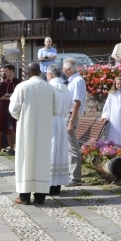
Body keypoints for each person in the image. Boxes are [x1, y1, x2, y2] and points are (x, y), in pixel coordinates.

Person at [9, 62, 55, 205]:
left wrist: (22, 118)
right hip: (44, 129)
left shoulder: (22, 86)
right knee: (42, 159)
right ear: (40, 72)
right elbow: (55, 108)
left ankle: (24, 196)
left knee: (25, 159)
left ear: (28, 74)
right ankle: (40, 196)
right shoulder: (49, 88)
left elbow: (13, 108)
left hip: (26, 129)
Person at [47, 65, 73, 196]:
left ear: (50, 74)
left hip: (50, 121)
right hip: (61, 122)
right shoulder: (67, 89)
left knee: (50, 152)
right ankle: (57, 186)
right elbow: (70, 107)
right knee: (60, 152)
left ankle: (49, 185)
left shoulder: (49, 88)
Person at [62, 58, 86, 186]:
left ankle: (75, 177)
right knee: (70, 146)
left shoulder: (76, 81)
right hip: (70, 115)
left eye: (64, 69)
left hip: (72, 115)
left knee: (72, 147)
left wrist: (71, 121)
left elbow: (77, 103)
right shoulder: (75, 80)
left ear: (69, 70)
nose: (63, 71)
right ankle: (72, 174)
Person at [0, 64, 21, 155]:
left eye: (6, 70)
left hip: (16, 109)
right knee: (7, 129)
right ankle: (11, 148)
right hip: (5, 109)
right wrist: (12, 97)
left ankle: (18, 147)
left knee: (16, 128)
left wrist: (9, 96)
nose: (4, 72)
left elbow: (20, 96)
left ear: (11, 70)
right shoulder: (3, 83)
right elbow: (0, 96)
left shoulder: (18, 82)